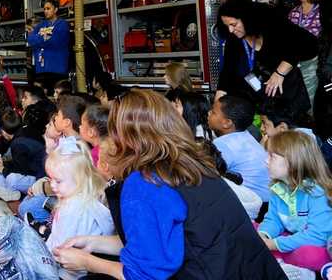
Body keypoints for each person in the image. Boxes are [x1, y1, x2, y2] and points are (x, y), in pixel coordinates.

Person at [52, 89, 285, 279]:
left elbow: (143, 274)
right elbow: (160, 242)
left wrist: (86, 262)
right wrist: (93, 243)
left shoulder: (145, 183)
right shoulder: (192, 161)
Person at [218, 0, 317, 117]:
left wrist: (279, 73)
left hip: (298, 80)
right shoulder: (234, 39)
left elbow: (304, 44)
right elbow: (227, 71)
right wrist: (219, 100)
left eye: (233, 24)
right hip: (268, 93)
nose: (230, 30)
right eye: (226, 26)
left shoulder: (272, 24)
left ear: (246, 19)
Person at [259, 130, 332, 273]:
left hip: (321, 244)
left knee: (311, 255)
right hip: (294, 238)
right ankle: (283, 258)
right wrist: (264, 235)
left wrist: (273, 244)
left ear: (292, 162)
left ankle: (280, 258)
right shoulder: (278, 187)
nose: (266, 161)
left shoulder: (318, 192)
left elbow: (317, 236)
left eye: (272, 156)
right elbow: (274, 219)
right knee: (254, 228)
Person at [46, 138, 115, 280]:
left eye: (58, 181)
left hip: (69, 273)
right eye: (50, 179)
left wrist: (42, 251)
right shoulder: (85, 197)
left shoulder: (72, 210)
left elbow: (61, 247)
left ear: (79, 179)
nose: (52, 185)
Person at [208, 95, 271, 202]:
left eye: (213, 112)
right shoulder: (246, 136)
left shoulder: (223, 144)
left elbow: (208, 175)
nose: (209, 113)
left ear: (227, 123)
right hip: (267, 201)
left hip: (251, 203)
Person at [0, 109, 46, 202]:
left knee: (12, 179)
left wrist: (3, 169)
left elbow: (23, 171)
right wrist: (2, 164)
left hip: (38, 178)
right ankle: (7, 192)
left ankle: (11, 192)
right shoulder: (26, 129)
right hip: (28, 169)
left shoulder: (18, 144)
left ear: (4, 131)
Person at [27, 0, 70, 94]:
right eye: (44, 9)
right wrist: (45, 38)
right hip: (41, 70)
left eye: (48, 8)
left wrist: (40, 39)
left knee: (58, 98)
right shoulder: (41, 25)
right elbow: (31, 40)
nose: (45, 11)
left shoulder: (62, 24)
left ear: (55, 9)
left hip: (57, 70)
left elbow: (55, 41)